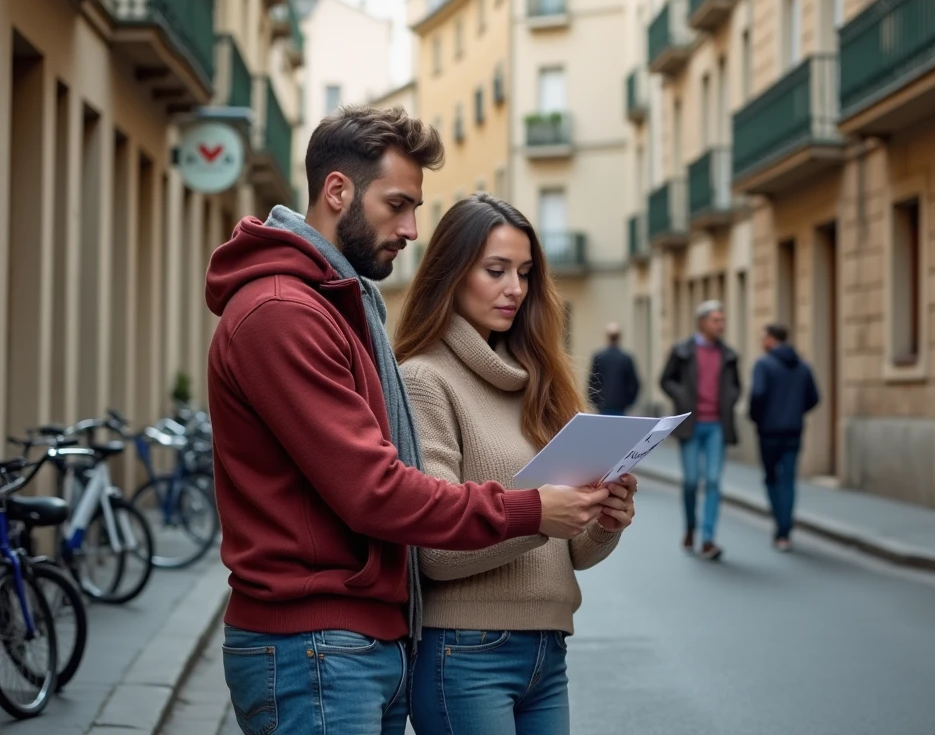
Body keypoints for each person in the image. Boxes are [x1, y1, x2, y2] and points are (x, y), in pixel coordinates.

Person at [204, 107, 611, 735]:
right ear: (337, 191)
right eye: (397, 205)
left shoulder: (340, 303)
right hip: (314, 645)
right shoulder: (284, 313)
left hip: (358, 643)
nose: (412, 228)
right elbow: (376, 490)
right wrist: (532, 510)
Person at [395, 194, 637, 735]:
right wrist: (538, 513)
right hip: (464, 651)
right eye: (496, 270)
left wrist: (603, 520)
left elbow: (572, 552)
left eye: (525, 273)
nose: (516, 289)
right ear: (452, 274)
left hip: (549, 651)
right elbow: (432, 548)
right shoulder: (424, 380)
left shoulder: (541, 385)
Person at [659, 300, 741, 560]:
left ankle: (708, 539)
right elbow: (665, 380)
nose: (721, 325)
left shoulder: (728, 354)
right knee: (692, 481)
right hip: (691, 425)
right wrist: (682, 397)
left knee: (714, 481)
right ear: (702, 322)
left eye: (722, 320)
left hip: (717, 424)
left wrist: (729, 398)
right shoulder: (682, 351)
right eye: (716, 320)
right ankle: (691, 527)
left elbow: (737, 385)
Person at [749, 323, 820, 551]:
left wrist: (757, 418)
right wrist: (795, 411)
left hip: (769, 431)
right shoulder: (802, 365)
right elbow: (814, 398)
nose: (761, 342)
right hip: (793, 430)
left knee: (771, 478)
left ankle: (780, 525)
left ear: (770, 339)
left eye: (763, 337)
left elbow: (757, 395)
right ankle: (785, 531)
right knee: (788, 480)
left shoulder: (763, 364)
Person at [587, 322, 641, 415]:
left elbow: (592, 381)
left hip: (602, 405)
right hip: (620, 406)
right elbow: (634, 384)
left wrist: (595, 401)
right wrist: (629, 402)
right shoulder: (626, 358)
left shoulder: (599, 357)